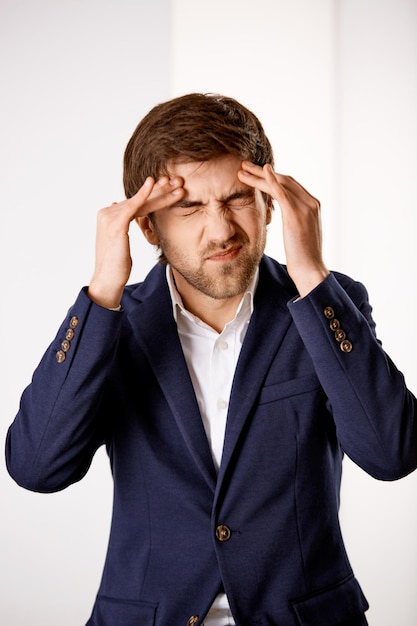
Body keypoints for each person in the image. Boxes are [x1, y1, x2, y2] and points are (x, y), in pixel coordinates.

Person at [5, 93, 417, 626]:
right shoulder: (115, 325)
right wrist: (103, 291)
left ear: (271, 201)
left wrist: (312, 274)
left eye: (239, 198)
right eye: (190, 207)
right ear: (149, 227)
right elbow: (37, 468)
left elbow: (392, 454)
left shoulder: (326, 307)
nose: (221, 230)